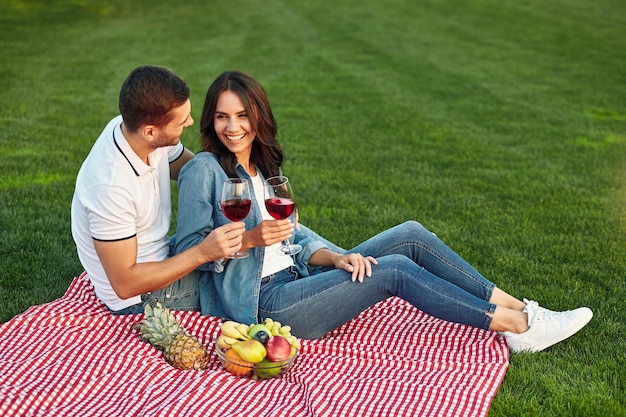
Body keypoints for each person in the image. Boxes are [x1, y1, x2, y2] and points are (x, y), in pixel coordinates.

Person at [174, 70, 593, 353]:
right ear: (211, 120)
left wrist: (337, 257)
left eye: (243, 115)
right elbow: (191, 250)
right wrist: (247, 240)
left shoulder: (267, 167)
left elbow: (293, 241)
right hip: (266, 303)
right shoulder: (204, 171)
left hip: (300, 276)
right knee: (391, 270)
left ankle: (523, 310)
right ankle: (515, 327)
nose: (233, 126)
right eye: (223, 116)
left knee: (410, 233)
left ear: (258, 116)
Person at [71, 65, 245, 315]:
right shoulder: (109, 186)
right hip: (141, 295)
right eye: (182, 121)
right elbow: (125, 284)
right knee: (244, 277)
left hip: (164, 255)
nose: (191, 122)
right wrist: (203, 252)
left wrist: (242, 186)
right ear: (150, 132)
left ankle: (314, 253)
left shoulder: (134, 127)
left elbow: (194, 168)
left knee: (256, 232)